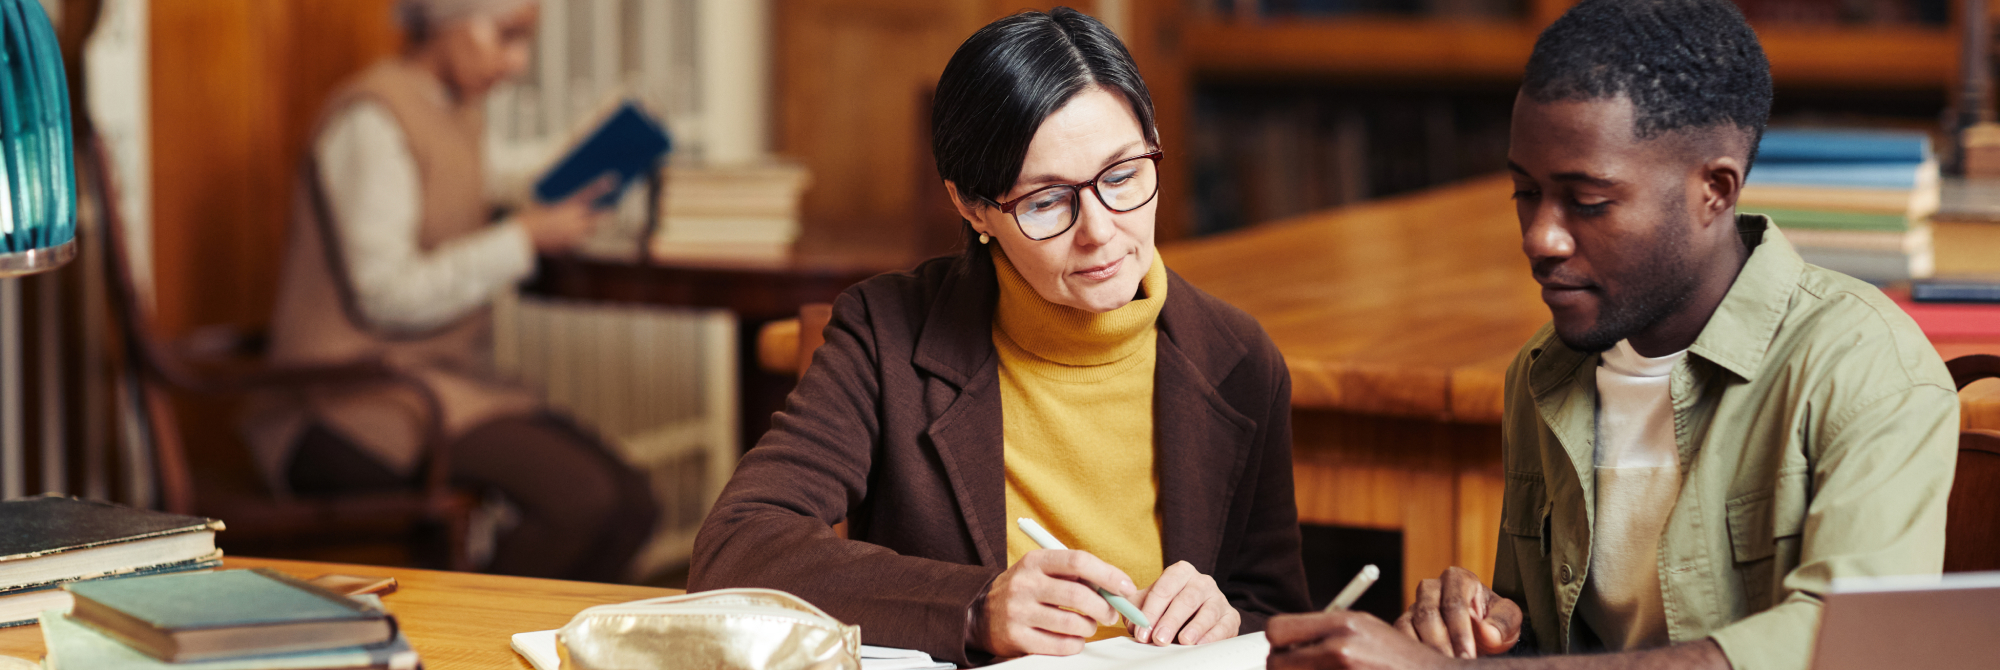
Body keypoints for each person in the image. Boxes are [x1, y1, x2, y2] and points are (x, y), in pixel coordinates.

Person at [1267, 1, 1958, 668]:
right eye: (1524, 192)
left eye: (1588, 202)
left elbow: (1851, 651)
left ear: (1715, 190)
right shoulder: (1542, 371)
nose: (1540, 237)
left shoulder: (1867, 368)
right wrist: (1482, 624)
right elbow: (1544, 641)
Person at [689, 8, 1309, 665]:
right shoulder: (886, 336)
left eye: (1123, 176)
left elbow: (1280, 614)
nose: (1099, 230)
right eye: (1046, 202)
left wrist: (1231, 618)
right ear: (971, 206)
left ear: (1155, 144)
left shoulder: (1239, 361)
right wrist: (974, 607)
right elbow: (735, 549)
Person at [244, 0, 656, 582]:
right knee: (582, 502)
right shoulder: (372, 120)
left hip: (430, 386)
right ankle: (479, 640)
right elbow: (385, 294)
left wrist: (551, 196)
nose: (517, 62)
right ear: (446, 18)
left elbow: (462, 200)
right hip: (342, 401)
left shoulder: (458, 112)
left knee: (634, 502)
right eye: (506, 36)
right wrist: (522, 239)